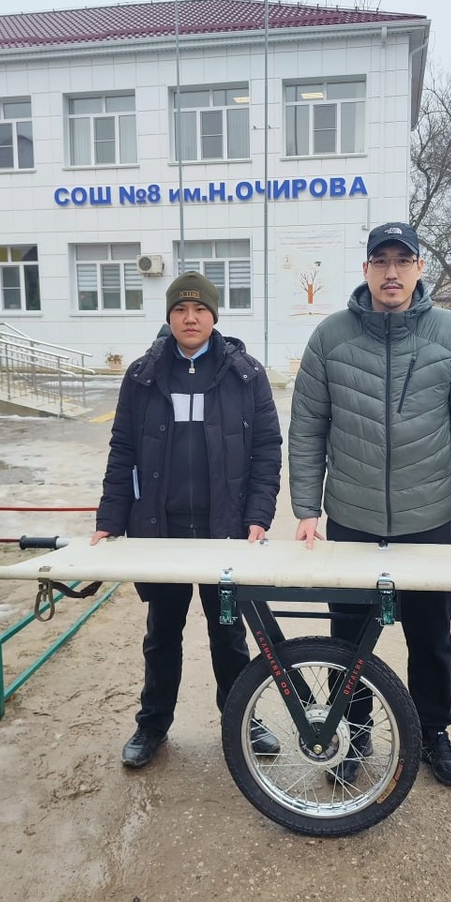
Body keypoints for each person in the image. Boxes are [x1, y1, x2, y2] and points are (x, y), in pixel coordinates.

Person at [289, 222, 451, 788]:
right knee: (348, 639)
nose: (391, 272)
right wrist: (305, 509)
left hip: (428, 521)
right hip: (352, 519)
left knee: (431, 639)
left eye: (403, 260)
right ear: (366, 269)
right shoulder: (330, 338)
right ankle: (355, 731)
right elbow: (307, 428)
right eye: (381, 261)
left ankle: (432, 732)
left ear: (420, 268)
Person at [93, 271, 282, 769]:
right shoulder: (143, 375)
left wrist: (258, 515)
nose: (190, 318)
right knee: (161, 634)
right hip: (162, 531)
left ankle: (241, 720)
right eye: (180, 309)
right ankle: (152, 724)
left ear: (214, 316)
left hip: (226, 530)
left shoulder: (245, 374)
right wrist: (111, 518)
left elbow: (267, 449)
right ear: (169, 317)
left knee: (229, 635)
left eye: (200, 310)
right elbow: (123, 450)